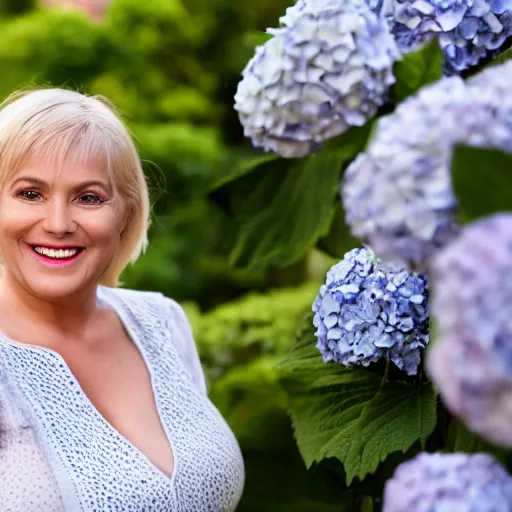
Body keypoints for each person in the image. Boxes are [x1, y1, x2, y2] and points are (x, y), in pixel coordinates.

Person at [0, 88, 245, 511]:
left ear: (126, 214)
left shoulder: (163, 322)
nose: (58, 224)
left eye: (89, 197)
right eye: (30, 194)